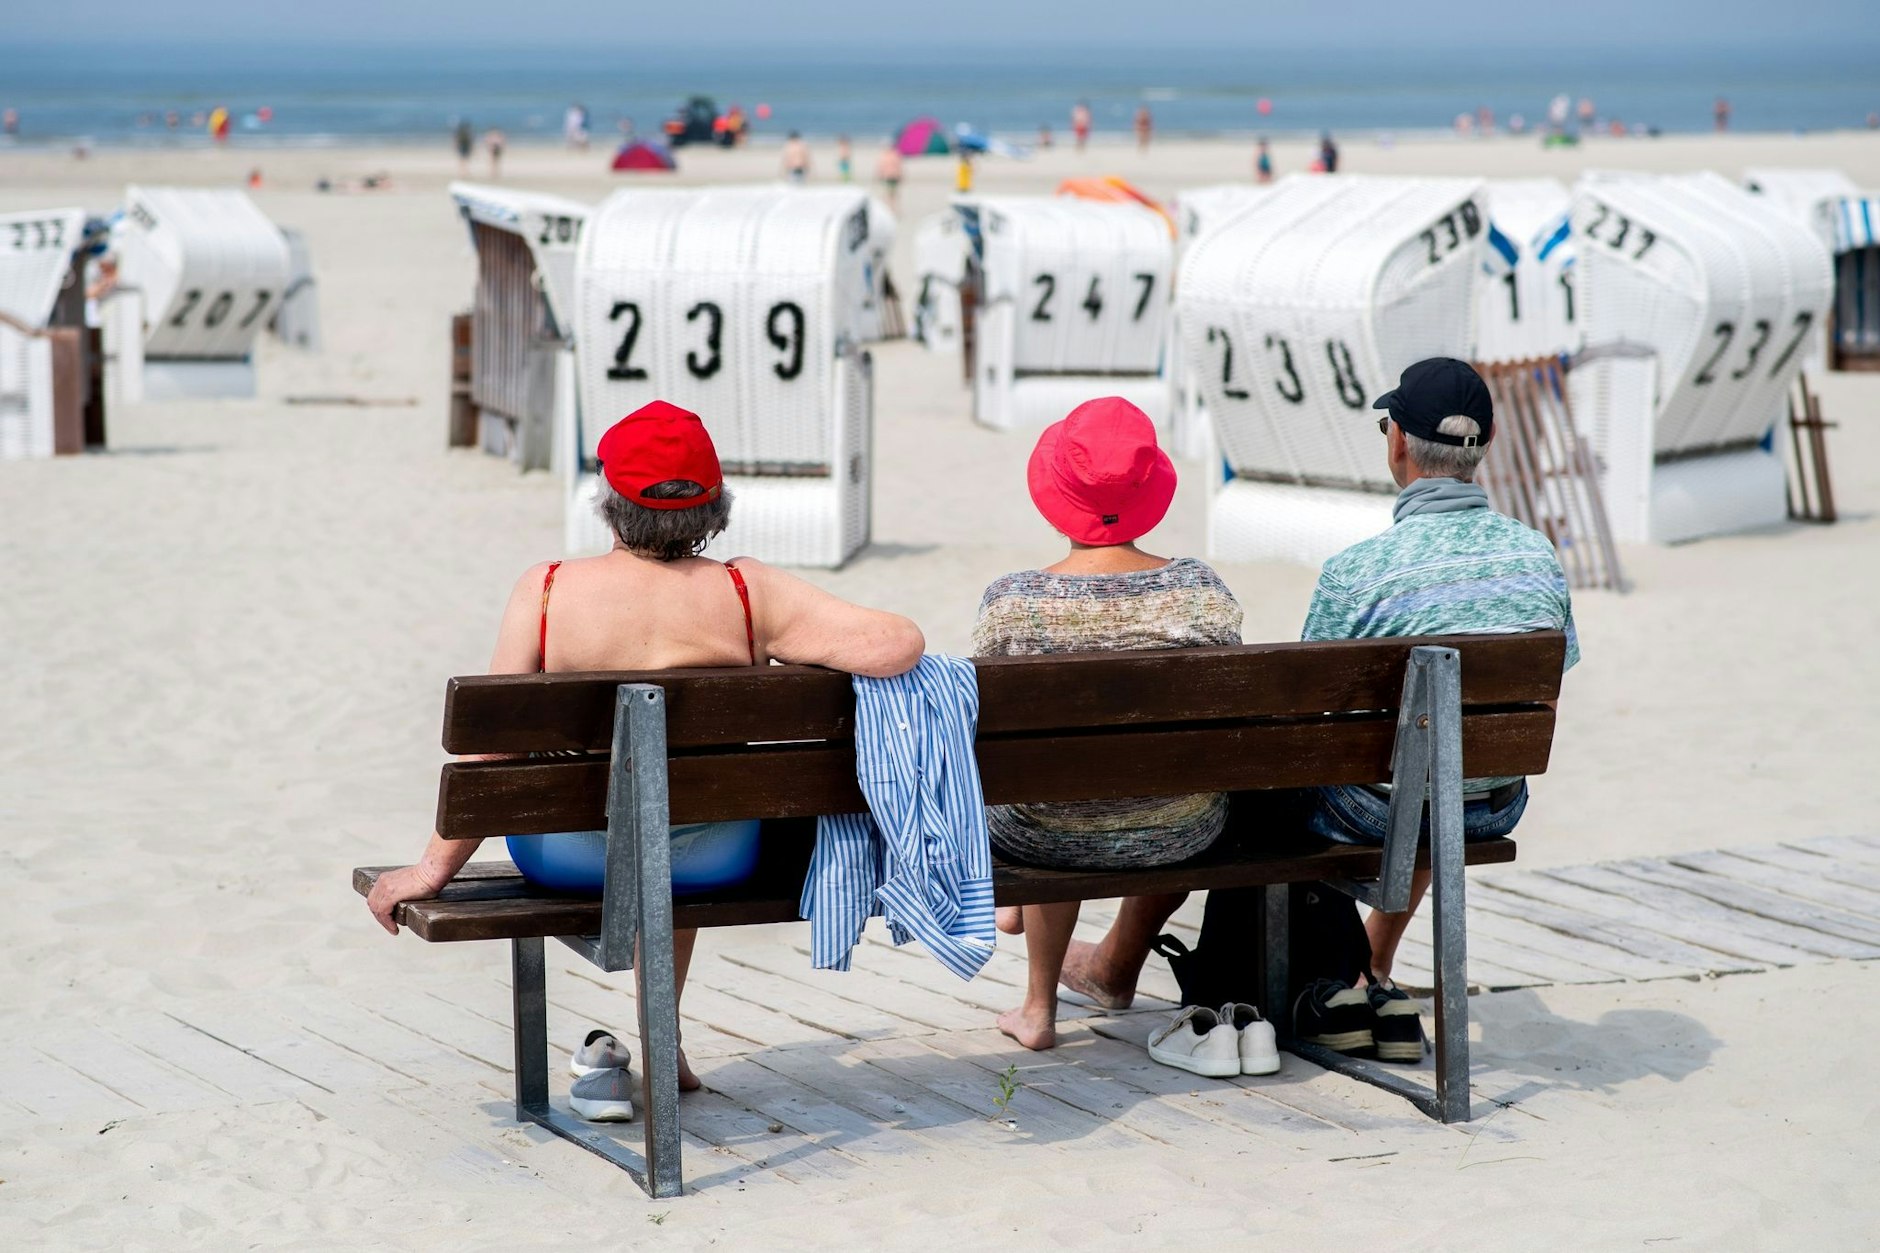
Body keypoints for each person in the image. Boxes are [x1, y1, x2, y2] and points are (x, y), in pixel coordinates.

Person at [367, 401, 926, 1094]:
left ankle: (650, 1039)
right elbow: (900, 643)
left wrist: (430, 869)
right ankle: (667, 1035)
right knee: (677, 805)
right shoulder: (749, 593)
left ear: (611, 502)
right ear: (713, 505)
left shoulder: (546, 591)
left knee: (647, 803)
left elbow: (494, 757)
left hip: (568, 854)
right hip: (718, 854)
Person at [1063, 359, 1578, 1063]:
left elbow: (1314, 725)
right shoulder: (1539, 558)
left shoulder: (1359, 571)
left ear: (1396, 441)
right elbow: (1548, 689)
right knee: (1437, 757)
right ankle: (1372, 962)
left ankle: (1119, 964)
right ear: (1484, 443)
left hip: (1373, 807)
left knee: (1305, 777)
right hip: (1489, 802)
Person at [974, 397, 1244, 1051]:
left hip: (1045, 834)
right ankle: (1096, 961)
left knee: (1052, 784)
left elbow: (983, 730)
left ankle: (1039, 1007)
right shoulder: (1201, 592)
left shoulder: (1015, 602)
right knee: (1159, 780)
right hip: (1182, 828)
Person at [876, 141, 903, 209]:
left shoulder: (887, 156)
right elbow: (881, 166)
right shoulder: (895, 155)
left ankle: (891, 205)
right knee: (891, 192)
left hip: (891, 176)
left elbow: (898, 166)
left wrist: (880, 174)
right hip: (891, 175)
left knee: (890, 192)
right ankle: (891, 205)